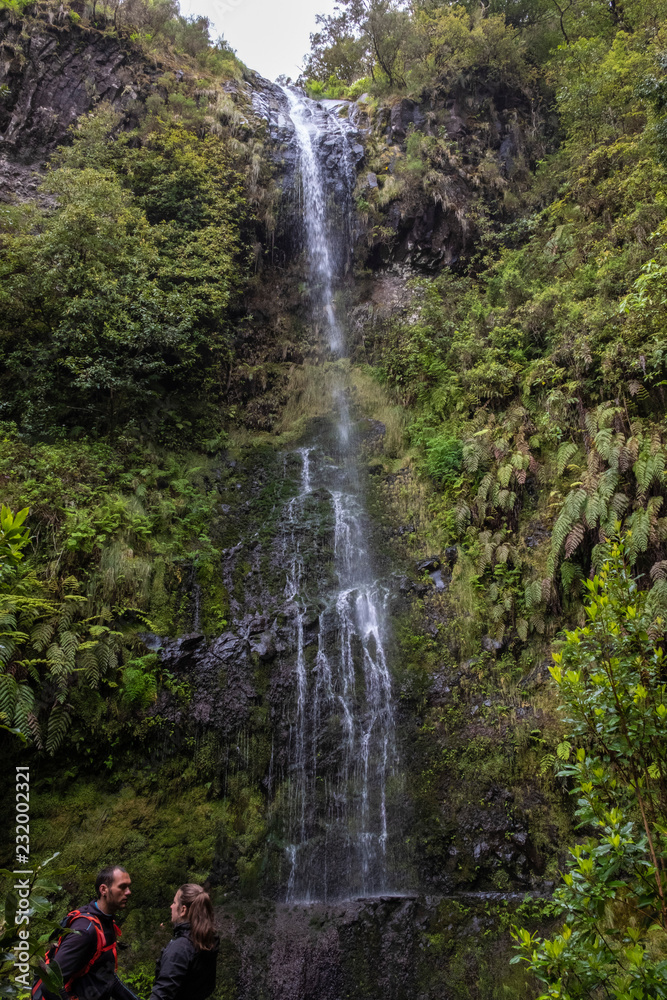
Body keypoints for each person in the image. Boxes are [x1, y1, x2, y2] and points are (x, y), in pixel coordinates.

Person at [32, 865, 138, 1000]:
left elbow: (107, 977)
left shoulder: (105, 921)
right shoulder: (86, 931)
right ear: (104, 889)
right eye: (122, 887)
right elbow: (50, 985)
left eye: (128, 887)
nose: (128, 892)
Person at [149, 883, 218, 1000]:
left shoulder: (180, 948)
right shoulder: (210, 940)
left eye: (174, 902)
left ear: (183, 910)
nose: (171, 906)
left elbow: (162, 995)